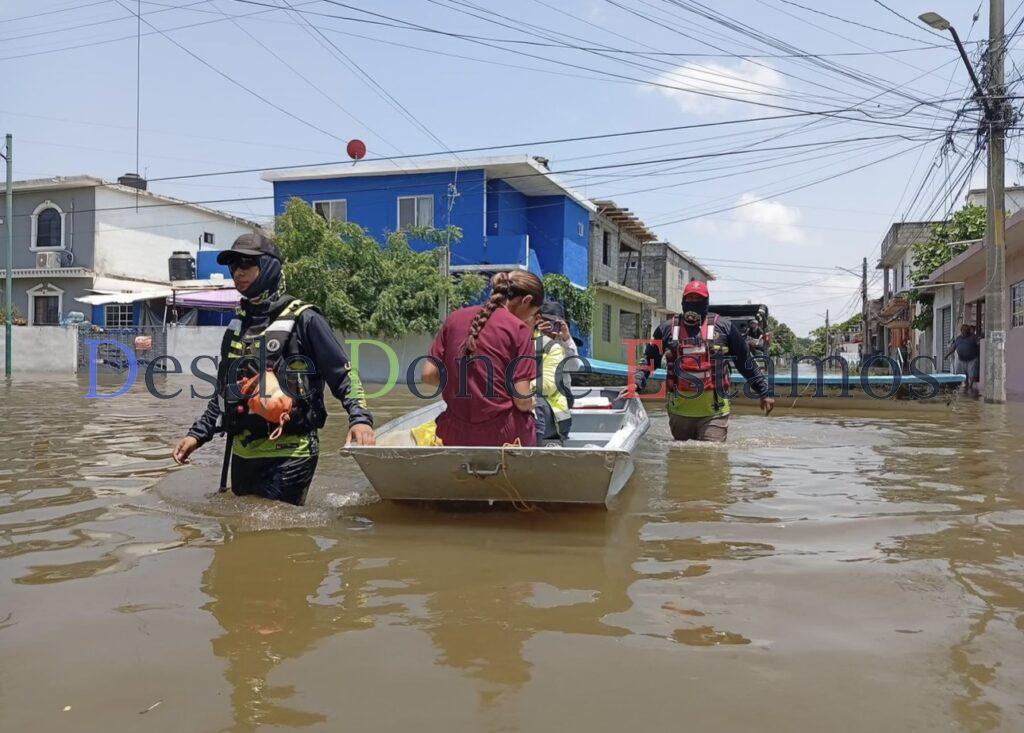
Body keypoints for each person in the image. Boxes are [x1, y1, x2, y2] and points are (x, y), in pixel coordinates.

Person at [172, 232, 375, 505]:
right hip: (243, 453)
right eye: (233, 266)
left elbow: (343, 374)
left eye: (246, 264)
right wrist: (197, 434)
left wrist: (360, 418)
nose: (237, 272)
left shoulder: (306, 319)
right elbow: (224, 393)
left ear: (268, 267)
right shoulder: (237, 326)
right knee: (240, 541)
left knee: (282, 535)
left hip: (292, 454)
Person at [633, 280, 774, 443]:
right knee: (682, 460)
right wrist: (635, 384)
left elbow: (745, 361)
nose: (693, 303)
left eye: (698, 299)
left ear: (706, 302)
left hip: (715, 412)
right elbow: (649, 360)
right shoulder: (667, 329)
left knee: (712, 459)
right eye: (690, 299)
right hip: (679, 412)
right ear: (683, 302)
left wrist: (764, 391)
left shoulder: (724, 327)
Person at [422, 271, 543, 446]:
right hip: (504, 435)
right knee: (532, 420)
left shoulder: (454, 319)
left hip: (454, 434)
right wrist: (531, 402)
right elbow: (521, 399)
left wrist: (461, 384)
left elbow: (428, 375)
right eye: (534, 312)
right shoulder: (519, 329)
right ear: (526, 300)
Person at [533, 299, 576, 445]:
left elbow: (574, 365)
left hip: (557, 405)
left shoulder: (560, 345)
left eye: (555, 323)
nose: (550, 326)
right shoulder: (527, 337)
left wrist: (566, 338)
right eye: (546, 321)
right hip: (535, 400)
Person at [945, 323, 980, 395]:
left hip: (972, 359)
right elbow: (953, 348)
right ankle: (966, 387)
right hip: (962, 360)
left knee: (971, 373)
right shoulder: (958, 338)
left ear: (968, 331)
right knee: (964, 375)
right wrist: (947, 355)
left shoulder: (973, 337)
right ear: (961, 331)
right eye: (963, 330)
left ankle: (970, 387)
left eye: (966, 330)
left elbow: (978, 344)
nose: (964, 332)